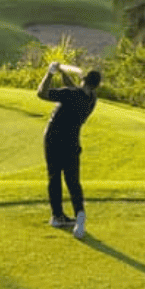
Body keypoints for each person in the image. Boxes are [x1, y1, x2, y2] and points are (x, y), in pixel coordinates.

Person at [37, 61, 102, 239]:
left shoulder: (69, 94)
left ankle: (57, 216)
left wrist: (50, 73)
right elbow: (75, 89)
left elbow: (41, 93)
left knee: (54, 177)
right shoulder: (91, 99)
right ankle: (79, 213)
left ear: (83, 79)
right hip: (72, 142)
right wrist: (63, 72)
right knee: (73, 181)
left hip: (53, 140)